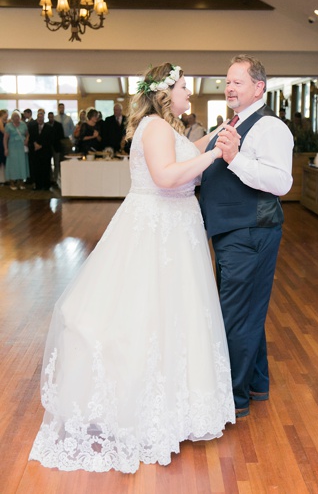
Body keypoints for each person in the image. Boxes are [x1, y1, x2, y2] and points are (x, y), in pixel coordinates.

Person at [29, 63, 235, 473]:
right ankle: (147, 407)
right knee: (151, 313)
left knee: (172, 314)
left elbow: (185, 154)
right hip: (159, 228)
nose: (188, 94)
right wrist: (217, 154)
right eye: (183, 88)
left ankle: (174, 406)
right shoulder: (157, 128)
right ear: (165, 93)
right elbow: (165, 176)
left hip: (172, 225)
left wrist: (214, 135)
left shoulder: (166, 127)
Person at [199, 54, 293, 419]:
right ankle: (256, 383)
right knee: (245, 311)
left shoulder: (271, 128)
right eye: (227, 81)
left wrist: (235, 158)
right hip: (230, 231)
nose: (229, 87)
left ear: (259, 87)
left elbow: (281, 182)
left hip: (251, 232)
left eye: (237, 82)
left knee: (235, 315)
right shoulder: (235, 122)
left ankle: (233, 399)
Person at [27, 110, 54, 191]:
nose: (40, 119)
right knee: (37, 169)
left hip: (45, 151)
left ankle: (46, 185)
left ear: (44, 118)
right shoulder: (32, 127)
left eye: (41, 117)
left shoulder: (49, 128)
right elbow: (30, 138)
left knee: (45, 168)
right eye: (38, 117)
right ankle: (38, 185)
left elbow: (50, 140)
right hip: (35, 152)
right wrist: (35, 144)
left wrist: (41, 146)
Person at [3, 110, 29, 190]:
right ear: (12, 118)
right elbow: (5, 138)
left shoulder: (23, 124)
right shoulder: (8, 125)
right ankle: (12, 182)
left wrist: (27, 140)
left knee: (21, 164)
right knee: (13, 165)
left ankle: (21, 181)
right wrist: (6, 149)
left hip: (21, 147)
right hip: (12, 147)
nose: (16, 118)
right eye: (14, 117)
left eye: (17, 116)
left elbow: (27, 134)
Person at [47, 111, 65, 187]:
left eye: (52, 117)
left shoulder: (58, 125)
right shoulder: (46, 125)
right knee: (48, 164)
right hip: (48, 147)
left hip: (56, 146)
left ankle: (55, 179)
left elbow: (62, 136)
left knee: (56, 163)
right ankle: (50, 178)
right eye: (49, 117)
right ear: (48, 117)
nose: (51, 118)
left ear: (53, 117)